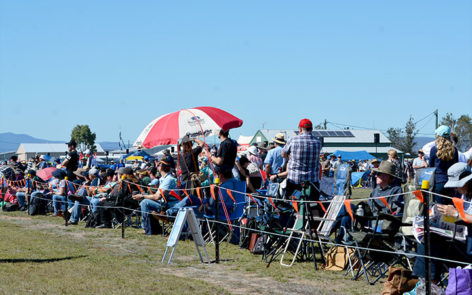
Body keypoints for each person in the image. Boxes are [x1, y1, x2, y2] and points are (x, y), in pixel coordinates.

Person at [412, 162, 472, 284]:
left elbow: (465, 216)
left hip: (468, 242)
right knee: (428, 233)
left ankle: (427, 283)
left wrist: (456, 214)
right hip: (462, 235)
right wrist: (444, 214)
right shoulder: (465, 195)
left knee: (431, 239)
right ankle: (427, 281)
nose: (455, 189)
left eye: (457, 185)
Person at [281, 118, 321, 199]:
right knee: (314, 204)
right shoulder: (318, 142)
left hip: (294, 179)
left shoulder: (293, 140)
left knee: (291, 204)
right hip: (312, 180)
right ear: (312, 129)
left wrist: (289, 157)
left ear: (300, 128)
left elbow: (283, 154)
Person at [132, 160, 178, 229]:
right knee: (146, 200)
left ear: (161, 168)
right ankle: (154, 227)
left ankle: (145, 227)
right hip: (164, 202)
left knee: (145, 202)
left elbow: (157, 196)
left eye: (159, 164)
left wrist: (142, 196)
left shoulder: (169, 179)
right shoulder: (163, 178)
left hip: (169, 204)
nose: (157, 165)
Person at [429, 125, 459, 203]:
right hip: (451, 182)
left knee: (438, 210)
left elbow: (430, 167)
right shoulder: (454, 150)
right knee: (449, 209)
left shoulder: (434, 149)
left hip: (438, 181)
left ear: (438, 135)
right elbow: (456, 167)